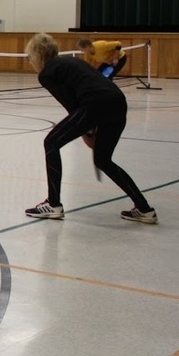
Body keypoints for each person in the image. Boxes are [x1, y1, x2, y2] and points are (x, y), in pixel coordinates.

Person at [23, 33, 157, 224]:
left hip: (95, 104)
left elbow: (72, 104)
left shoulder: (47, 73)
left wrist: (86, 133)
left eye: (30, 57)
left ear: (37, 55)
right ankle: (145, 209)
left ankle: (53, 204)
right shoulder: (70, 62)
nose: (30, 62)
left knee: (51, 143)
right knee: (103, 159)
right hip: (117, 102)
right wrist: (90, 128)